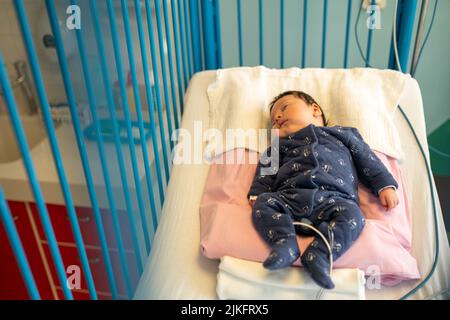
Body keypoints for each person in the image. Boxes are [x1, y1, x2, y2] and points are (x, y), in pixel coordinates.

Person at [248, 90, 399, 289]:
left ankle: (319, 254)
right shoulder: (278, 147)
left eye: (284, 108)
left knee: (354, 216)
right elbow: (266, 171)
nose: (277, 117)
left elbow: (367, 159)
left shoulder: (343, 134)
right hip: (290, 197)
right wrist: (258, 192)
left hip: (335, 198)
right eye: (274, 121)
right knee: (263, 203)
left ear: (315, 109)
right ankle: (284, 243)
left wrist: (384, 185)